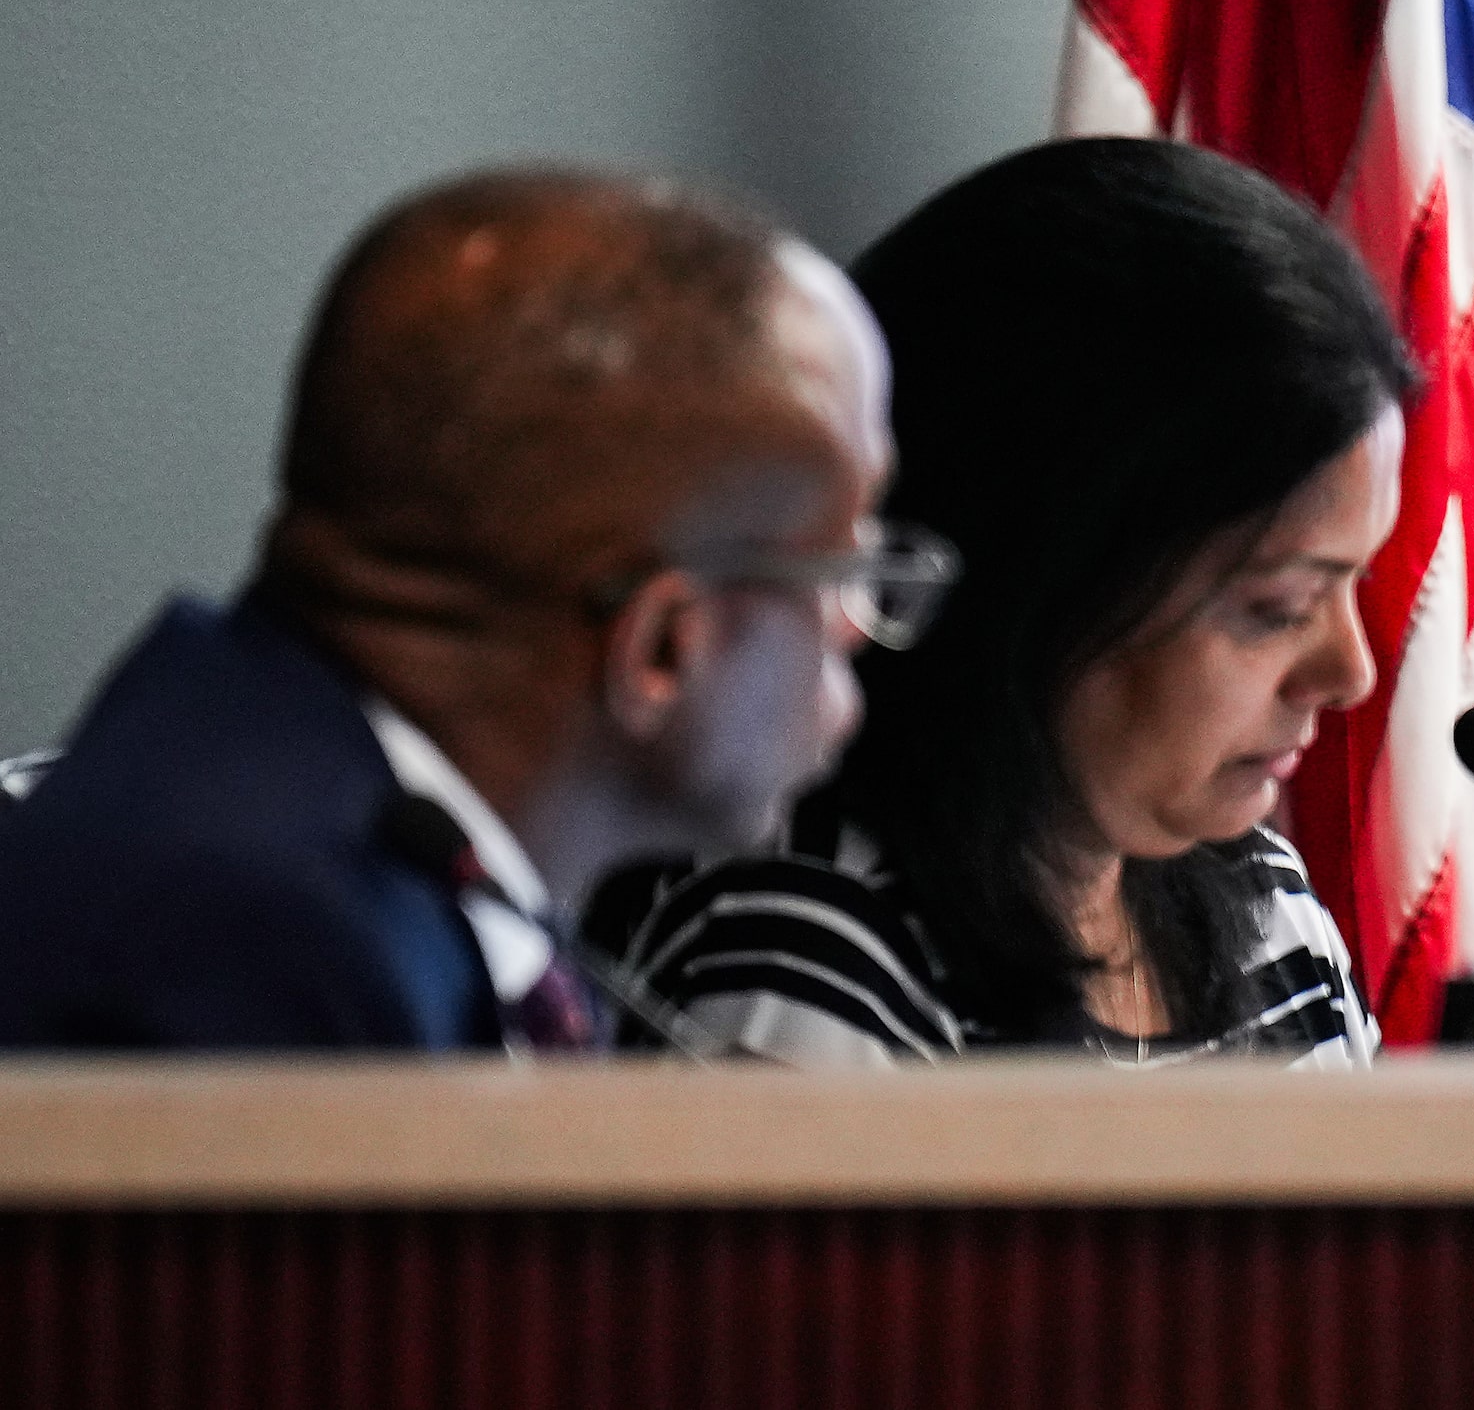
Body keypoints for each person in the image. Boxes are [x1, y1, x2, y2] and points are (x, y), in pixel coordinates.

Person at [0, 167, 926, 1050]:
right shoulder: (263, 952)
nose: (856, 622)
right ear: (661, 648)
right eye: (839, 558)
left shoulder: (308, 815)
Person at [610, 138, 1402, 1068]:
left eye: (1353, 584)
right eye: (1277, 607)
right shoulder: (806, 965)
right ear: (1037, 579)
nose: (1350, 672)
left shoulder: (1266, 910)